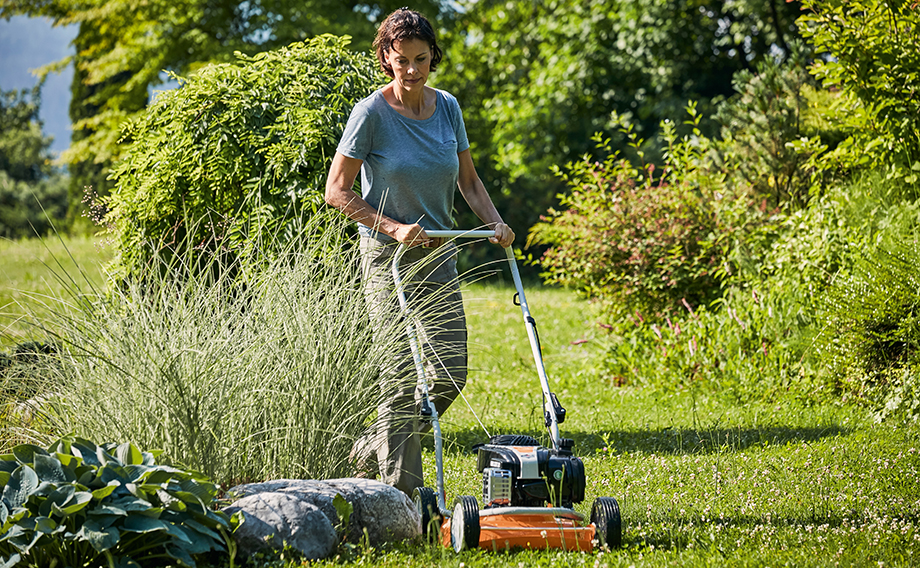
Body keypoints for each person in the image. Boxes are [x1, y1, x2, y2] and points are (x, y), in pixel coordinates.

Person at [324, 7, 514, 496]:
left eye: (421, 59)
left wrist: (493, 222)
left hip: (440, 254)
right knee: (400, 375)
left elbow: (468, 181)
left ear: (433, 58)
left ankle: (374, 448)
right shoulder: (371, 113)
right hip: (387, 257)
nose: (412, 69)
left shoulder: (447, 107)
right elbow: (337, 190)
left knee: (450, 370)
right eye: (402, 59)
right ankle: (403, 501)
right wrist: (391, 226)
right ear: (386, 57)